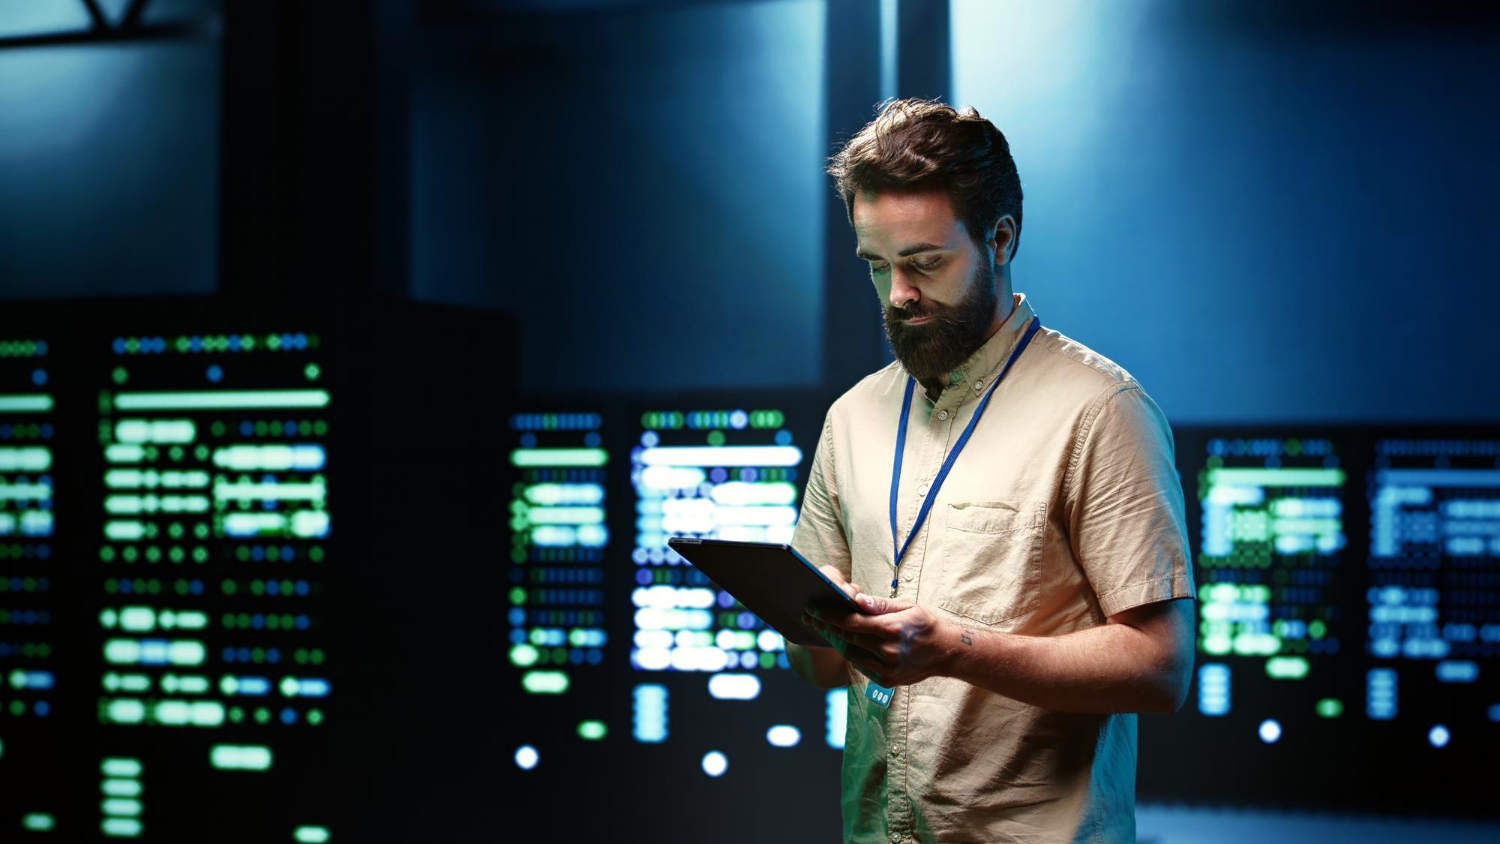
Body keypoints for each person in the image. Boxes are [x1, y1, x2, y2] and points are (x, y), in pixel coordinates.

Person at [786, 98, 1197, 843]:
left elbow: (1160, 669)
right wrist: (825, 624)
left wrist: (953, 651)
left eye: (925, 262)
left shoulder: (1102, 409)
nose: (899, 295)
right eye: (876, 267)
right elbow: (814, 666)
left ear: (1001, 239)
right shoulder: (850, 419)